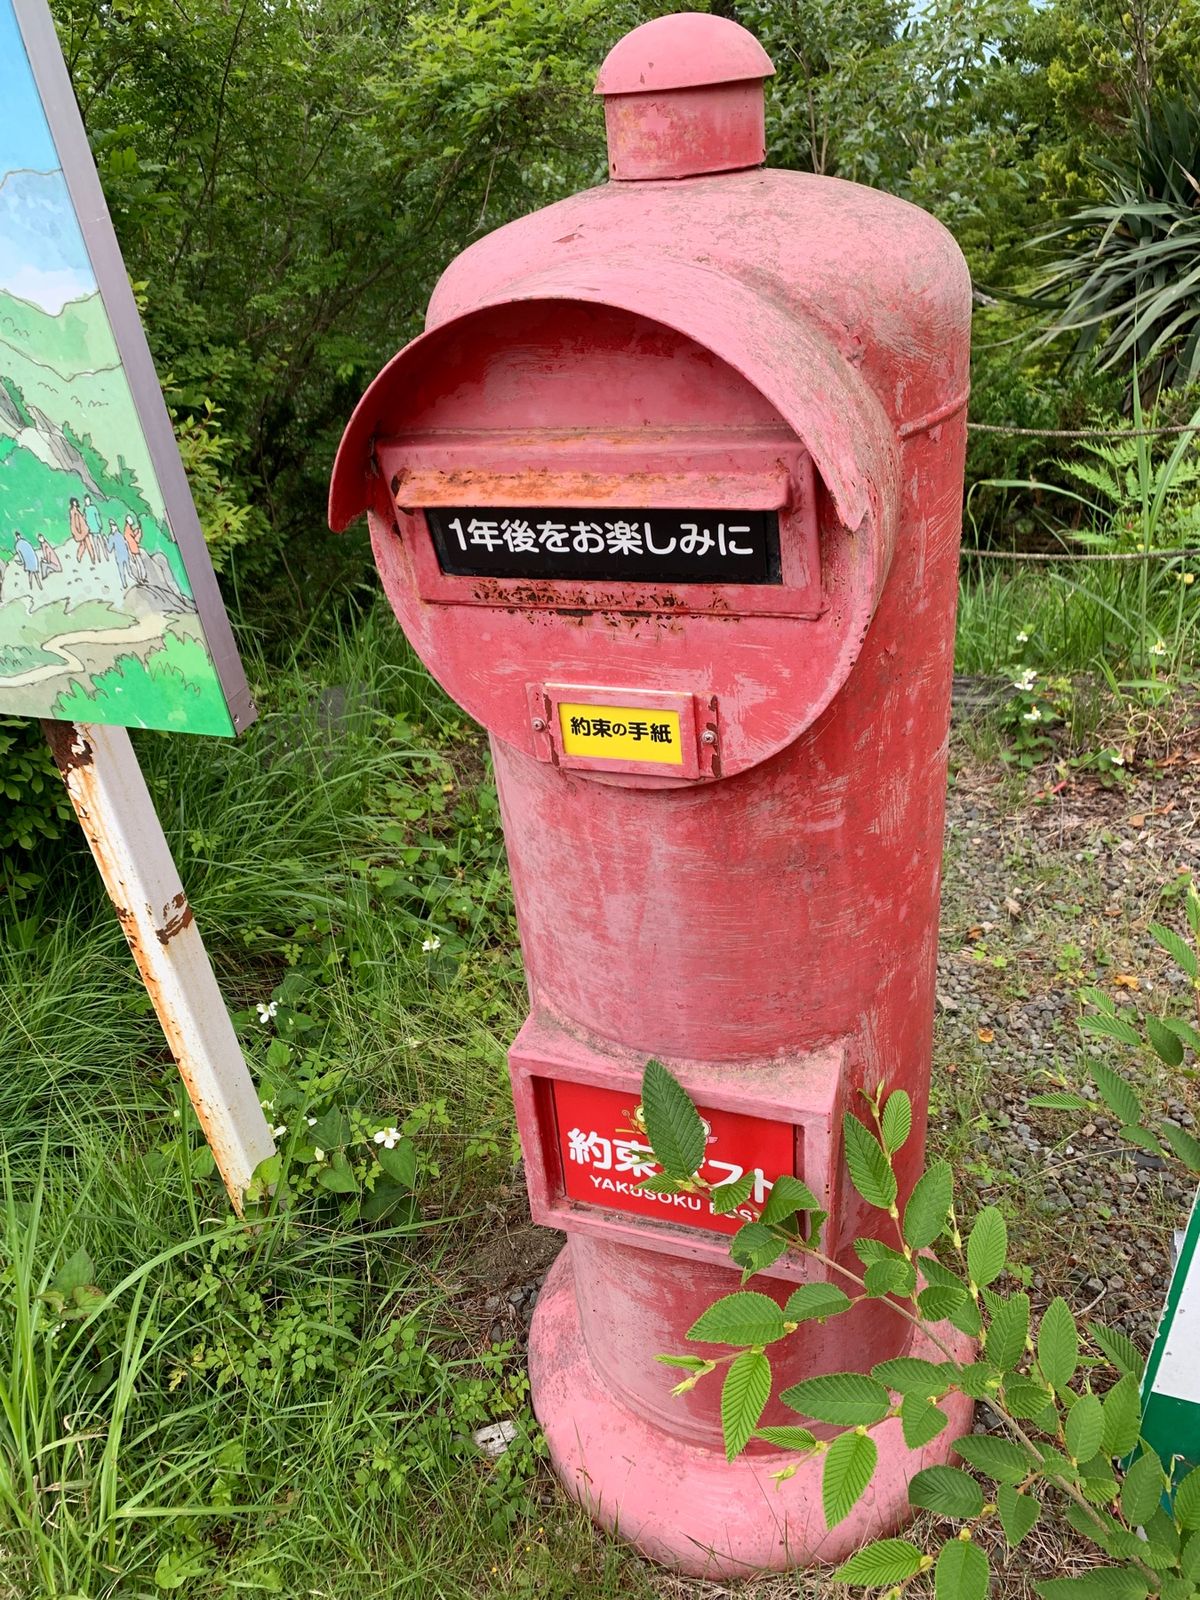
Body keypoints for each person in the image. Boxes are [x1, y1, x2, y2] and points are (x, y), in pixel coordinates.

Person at [69, 496, 94, 564]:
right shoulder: (73, 511)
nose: (75, 503)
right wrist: (78, 531)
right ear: (72, 503)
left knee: (84, 544)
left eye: (75, 501)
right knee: (87, 544)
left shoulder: (76, 510)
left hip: (82, 530)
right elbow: (75, 522)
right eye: (74, 502)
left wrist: (83, 517)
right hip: (82, 531)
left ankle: (79, 556)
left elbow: (79, 520)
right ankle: (92, 558)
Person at [123, 513, 146, 583]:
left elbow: (132, 535)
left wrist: (136, 531)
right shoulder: (128, 530)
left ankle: (142, 577)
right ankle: (142, 577)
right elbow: (134, 538)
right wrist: (138, 532)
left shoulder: (127, 530)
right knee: (139, 563)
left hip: (132, 548)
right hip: (134, 548)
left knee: (138, 563)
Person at [109, 518, 131, 586]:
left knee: (125, 570)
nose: (112, 527)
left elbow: (109, 549)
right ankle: (124, 583)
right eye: (111, 526)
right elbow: (110, 548)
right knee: (125, 570)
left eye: (113, 526)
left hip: (122, 555)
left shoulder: (113, 536)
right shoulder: (118, 535)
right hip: (122, 554)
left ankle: (125, 583)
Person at [83, 495, 105, 560]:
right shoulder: (85, 509)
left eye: (88, 500)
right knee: (96, 544)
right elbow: (84, 519)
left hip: (97, 528)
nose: (87, 502)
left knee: (102, 543)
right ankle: (99, 557)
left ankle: (105, 555)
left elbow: (97, 517)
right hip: (91, 530)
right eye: (86, 501)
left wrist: (100, 525)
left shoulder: (94, 507)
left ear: (90, 500)